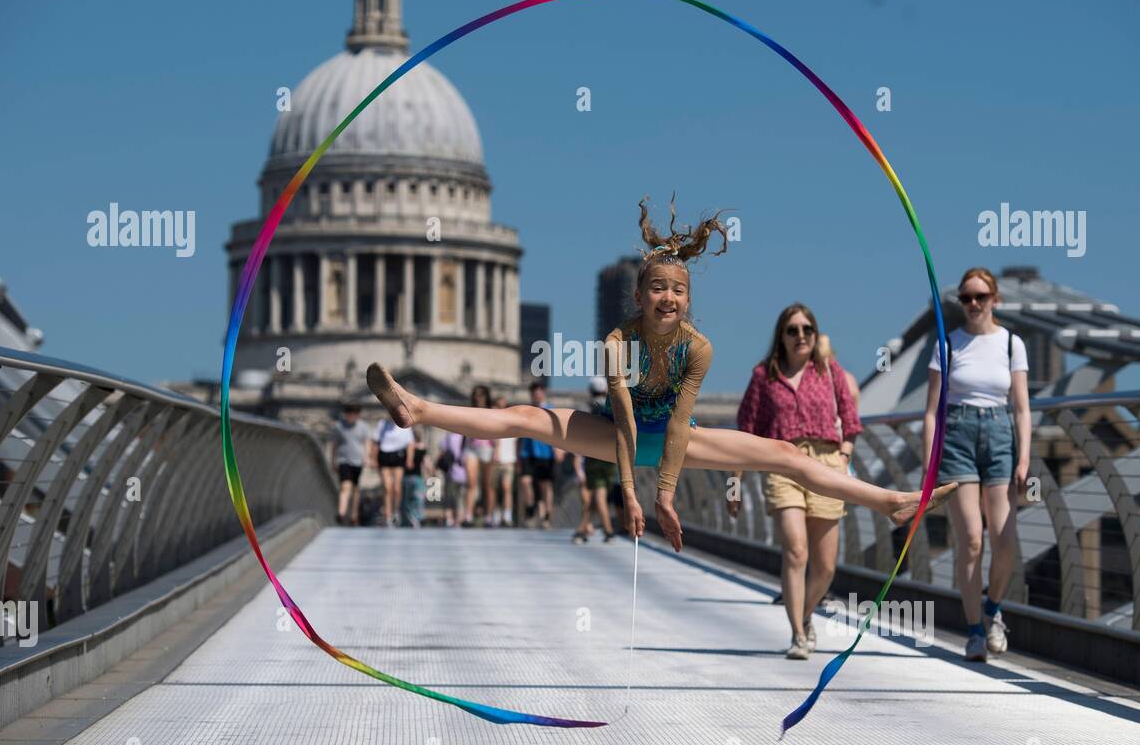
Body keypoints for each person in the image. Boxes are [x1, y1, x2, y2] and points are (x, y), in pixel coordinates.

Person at [365, 194, 957, 555]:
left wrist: (666, 497)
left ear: (687, 298)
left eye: (678, 289)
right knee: (527, 417)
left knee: (786, 455)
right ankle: (418, 409)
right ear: (640, 294)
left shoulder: (698, 347)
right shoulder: (619, 340)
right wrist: (630, 494)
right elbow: (621, 421)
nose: (667, 297)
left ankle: (888, 502)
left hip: (678, 437)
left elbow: (678, 424)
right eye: (657, 288)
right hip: (617, 433)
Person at [730, 305, 861, 659]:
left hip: (826, 463)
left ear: (815, 335)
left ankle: (805, 614)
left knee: (826, 565)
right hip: (782, 462)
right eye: (792, 330)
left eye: (807, 329)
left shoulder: (830, 371)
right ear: (781, 336)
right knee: (796, 550)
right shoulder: (764, 377)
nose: (800, 335)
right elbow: (746, 430)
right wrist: (735, 480)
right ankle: (798, 634)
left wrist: (844, 457)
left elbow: (850, 421)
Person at [923, 266, 1031, 662]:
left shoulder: (1011, 344)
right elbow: (932, 410)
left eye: (980, 297)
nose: (972, 304)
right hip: (957, 436)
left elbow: (1021, 407)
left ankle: (993, 608)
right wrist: (929, 463)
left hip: (1000, 435)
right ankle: (973, 632)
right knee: (971, 539)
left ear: (995, 300)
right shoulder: (947, 344)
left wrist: (1024, 458)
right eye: (966, 297)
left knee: (1004, 541)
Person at [572, 376, 618, 544]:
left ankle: (607, 531)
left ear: (590, 391)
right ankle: (584, 529)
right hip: (610, 456)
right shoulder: (612, 407)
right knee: (598, 495)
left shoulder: (585, 408)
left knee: (598, 494)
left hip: (592, 456)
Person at [517, 381, 563, 528]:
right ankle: (530, 510)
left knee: (545, 485)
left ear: (543, 393)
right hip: (527, 452)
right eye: (534, 392)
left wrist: (559, 449)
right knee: (525, 481)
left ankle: (547, 515)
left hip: (545, 453)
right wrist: (518, 454)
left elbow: (557, 432)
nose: (536, 395)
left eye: (538, 391)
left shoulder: (550, 410)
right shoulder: (527, 409)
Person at [460, 385, 495, 527]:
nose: (478, 397)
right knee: (471, 483)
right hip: (472, 448)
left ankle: (488, 516)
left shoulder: (492, 412)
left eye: (481, 394)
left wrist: (496, 450)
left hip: (487, 448)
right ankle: (468, 515)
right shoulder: (470, 410)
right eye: (476, 394)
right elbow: (463, 431)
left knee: (488, 485)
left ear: (486, 396)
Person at [330, 402, 371, 526]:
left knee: (356, 489)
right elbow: (334, 445)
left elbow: (367, 443)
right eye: (350, 414)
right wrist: (333, 461)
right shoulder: (338, 426)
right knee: (345, 486)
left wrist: (366, 457)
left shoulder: (363, 427)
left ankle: (354, 515)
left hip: (358, 461)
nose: (353, 416)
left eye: (355, 414)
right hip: (344, 460)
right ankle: (341, 513)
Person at [370, 414, 413, 527]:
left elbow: (410, 444)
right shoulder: (382, 424)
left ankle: (395, 510)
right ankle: (388, 515)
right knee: (387, 487)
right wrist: (373, 459)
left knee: (397, 488)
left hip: (398, 456)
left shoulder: (405, 425)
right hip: (385, 456)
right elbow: (375, 442)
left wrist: (409, 459)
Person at [492, 396, 518, 527]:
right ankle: (496, 515)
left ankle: (507, 515)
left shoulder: (513, 420)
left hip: (509, 459)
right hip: (495, 460)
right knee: (495, 489)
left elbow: (517, 442)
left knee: (506, 488)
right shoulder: (492, 420)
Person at [401, 426, 429, 528]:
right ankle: (417, 517)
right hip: (417, 477)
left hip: (406, 477)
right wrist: (432, 472)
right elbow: (426, 463)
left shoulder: (405, 446)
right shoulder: (421, 448)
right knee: (418, 499)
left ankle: (407, 518)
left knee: (406, 500)